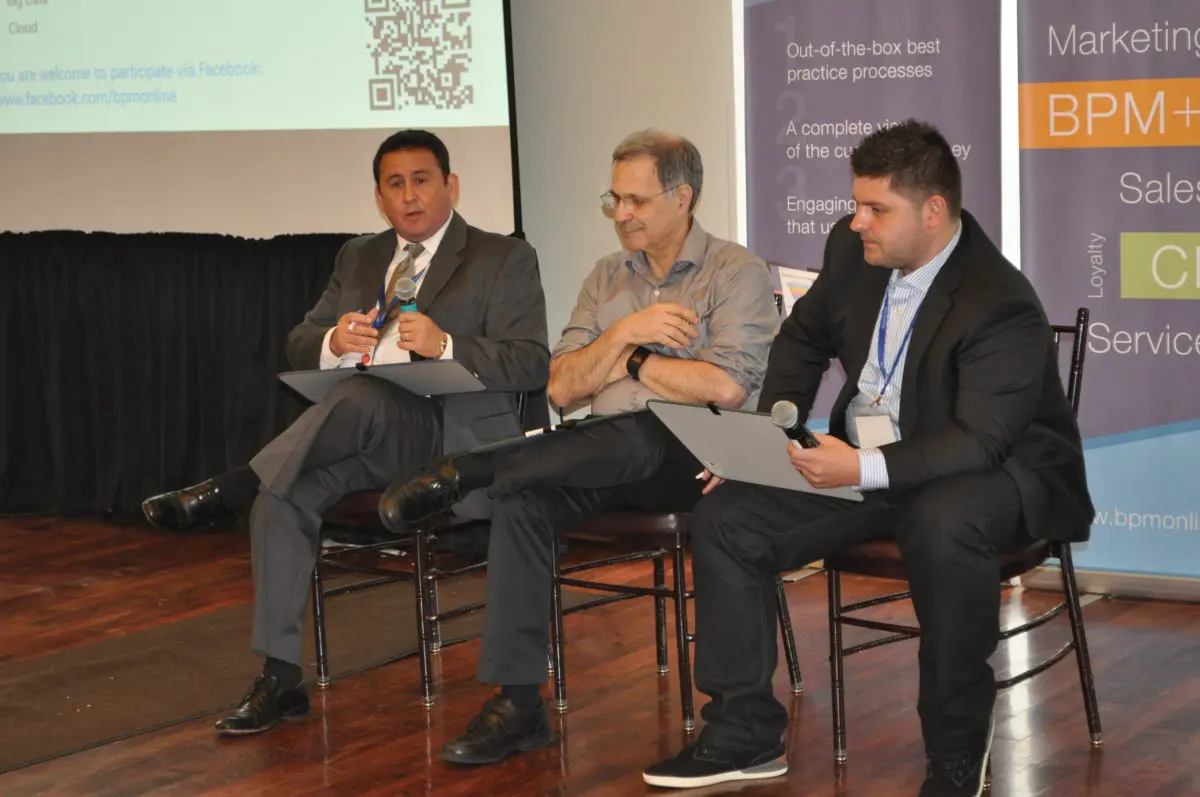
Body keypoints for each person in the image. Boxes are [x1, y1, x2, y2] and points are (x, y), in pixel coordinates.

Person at [641, 120, 1094, 796]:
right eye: (856, 204)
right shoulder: (855, 253)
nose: (858, 222)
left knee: (941, 523)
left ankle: (954, 757)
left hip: (995, 473)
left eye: (877, 209)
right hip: (869, 462)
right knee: (730, 518)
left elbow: (980, 439)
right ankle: (742, 736)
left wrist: (860, 469)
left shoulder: (1000, 303)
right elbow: (800, 339)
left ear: (933, 211)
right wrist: (772, 439)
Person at [381, 130, 780, 766]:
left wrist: (634, 357)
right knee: (525, 499)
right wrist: (626, 330)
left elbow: (725, 389)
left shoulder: (737, 272)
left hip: (699, 464)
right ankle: (518, 705)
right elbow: (563, 387)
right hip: (599, 453)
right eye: (614, 198)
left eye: (636, 200)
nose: (621, 213)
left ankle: (477, 467)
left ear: (682, 197)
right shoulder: (606, 277)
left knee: (651, 426)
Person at [212, 129, 550, 736]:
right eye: (394, 184)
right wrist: (333, 342)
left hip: (454, 443)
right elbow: (298, 340)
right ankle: (279, 678)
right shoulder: (360, 256)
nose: (409, 196)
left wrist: (447, 344)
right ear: (378, 196)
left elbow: (530, 362)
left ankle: (238, 479)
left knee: (360, 396)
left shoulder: (503, 256)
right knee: (283, 495)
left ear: (451, 186)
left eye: (422, 180)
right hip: (366, 443)